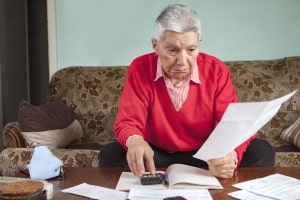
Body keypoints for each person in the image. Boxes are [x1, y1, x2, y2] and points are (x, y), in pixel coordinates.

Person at [99, 4, 275, 178]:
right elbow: (127, 122)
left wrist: (231, 157)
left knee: (261, 151)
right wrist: (135, 140)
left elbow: (234, 126)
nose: (182, 61)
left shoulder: (217, 71)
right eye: (172, 50)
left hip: (205, 155)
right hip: (155, 154)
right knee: (110, 154)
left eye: (191, 50)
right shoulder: (140, 69)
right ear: (155, 46)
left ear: (199, 43)